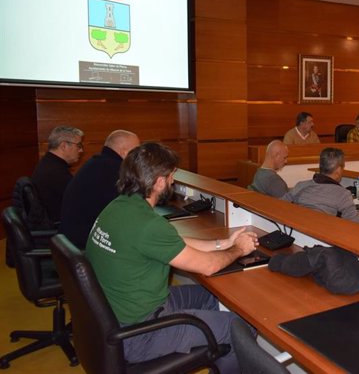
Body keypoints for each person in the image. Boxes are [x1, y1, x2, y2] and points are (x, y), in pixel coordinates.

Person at [85, 142, 258, 372]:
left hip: (122, 315)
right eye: (170, 177)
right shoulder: (149, 225)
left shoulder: (118, 207)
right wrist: (239, 250)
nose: (173, 182)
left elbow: (173, 243)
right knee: (237, 329)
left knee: (211, 297)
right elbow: (209, 267)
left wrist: (223, 243)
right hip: (139, 334)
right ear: (158, 182)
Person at [59, 130, 140, 249]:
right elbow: (131, 210)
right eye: (137, 152)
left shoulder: (96, 163)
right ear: (125, 152)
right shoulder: (116, 171)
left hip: (70, 242)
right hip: (87, 244)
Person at [282, 147, 359, 223]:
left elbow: (279, 205)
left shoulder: (301, 185)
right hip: (325, 232)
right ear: (338, 170)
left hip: (299, 230)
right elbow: (356, 224)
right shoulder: (343, 194)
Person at [31, 125, 84, 225]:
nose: (81, 150)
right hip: (57, 228)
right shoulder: (56, 172)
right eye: (79, 145)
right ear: (63, 146)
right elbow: (78, 203)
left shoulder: (48, 163)